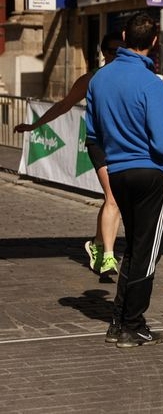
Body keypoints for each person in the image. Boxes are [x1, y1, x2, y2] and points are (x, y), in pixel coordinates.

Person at [86, 12, 163, 348]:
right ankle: (133, 325)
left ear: (124, 36)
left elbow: (93, 133)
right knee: (147, 253)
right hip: (151, 172)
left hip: (118, 171)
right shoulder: (152, 83)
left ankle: (118, 322)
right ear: (154, 41)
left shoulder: (99, 79)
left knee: (135, 249)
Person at [14, 32, 124, 276]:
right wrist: (34, 125)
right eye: (114, 51)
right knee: (113, 197)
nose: (118, 55)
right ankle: (108, 256)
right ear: (104, 53)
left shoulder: (128, 78)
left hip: (122, 145)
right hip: (98, 144)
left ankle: (97, 243)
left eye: (122, 50)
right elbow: (64, 105)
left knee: (114, 199)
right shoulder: (91, 79)